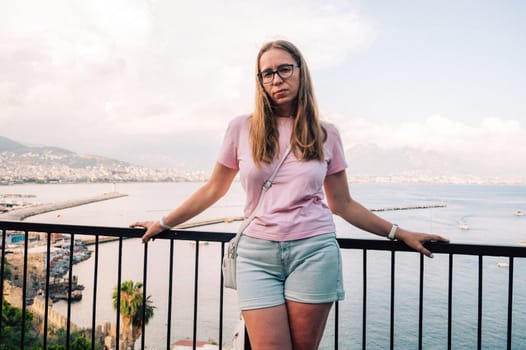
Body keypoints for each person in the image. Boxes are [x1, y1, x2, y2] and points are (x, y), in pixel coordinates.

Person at [131, 39, 449, 350]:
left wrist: (399, 232)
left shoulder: (326, 134)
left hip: (313, 252)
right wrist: (163, 222)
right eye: (267, 73)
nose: (276, 79)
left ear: (301, 71)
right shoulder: (242, 127)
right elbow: (214, 189)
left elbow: (342, 204)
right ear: (259, 82)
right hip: (256, 256)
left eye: (284, 69)